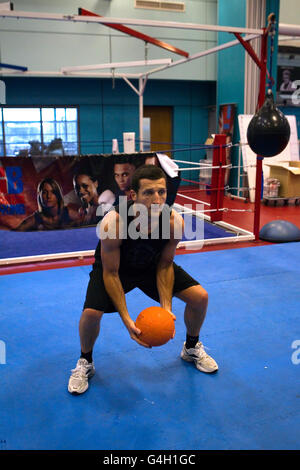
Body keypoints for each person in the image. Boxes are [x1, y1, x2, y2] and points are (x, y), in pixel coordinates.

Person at [68, 164, 218, 395]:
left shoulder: (172, 221)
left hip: (151, 265)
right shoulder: (113, 223)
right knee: (91, 313)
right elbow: (111, 273)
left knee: (200, 297)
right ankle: (85, 361)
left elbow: (165, 264)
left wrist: (166, 308)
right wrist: (127, 319)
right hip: (115, 269)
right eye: (148, 193)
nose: (157, 199)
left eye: (162, 192)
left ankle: (190, 347)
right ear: (133, 195)